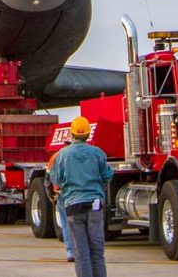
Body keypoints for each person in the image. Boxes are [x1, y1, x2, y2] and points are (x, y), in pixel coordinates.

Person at [49, 116, 115, 277]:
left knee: (81, 252)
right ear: (88, 134)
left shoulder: (63, 155)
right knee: (97, 252)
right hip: (95, 204)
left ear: (72, 134)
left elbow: (56, 179)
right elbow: (107, 175)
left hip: (73, 205)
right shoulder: (97, 153)